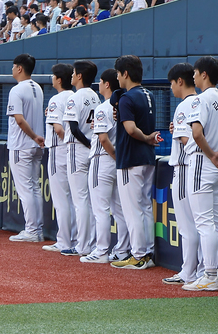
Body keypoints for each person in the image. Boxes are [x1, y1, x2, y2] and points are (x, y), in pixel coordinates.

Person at [184, 56, 218, 291]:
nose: (193, 76)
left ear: (204, 74)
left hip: (204, 161)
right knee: (216, 220)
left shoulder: (199, 100)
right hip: (217, 164)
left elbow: (196, 134)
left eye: (195, 72)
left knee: (204, 222)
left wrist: (211, 154)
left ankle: (210, 275)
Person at [112, 54, 161, 270]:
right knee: (144, 207)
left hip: (131, 158)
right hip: (147, 158)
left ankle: (139, 254)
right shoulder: (148, 94)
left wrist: (146, 137)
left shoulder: (127, 98)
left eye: (118, 73)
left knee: (132, 210)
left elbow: (131, 129)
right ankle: (147, 253)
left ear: (125, 74)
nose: (117, 77)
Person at [166, 64, 205, 289]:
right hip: (199, 166)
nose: (171, 88)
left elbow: (186, 139)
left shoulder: (184, 105)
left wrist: (179, 135)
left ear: (180, 81)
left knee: (187, 224)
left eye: (172, 83)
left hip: (185, 166)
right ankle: (198, 270)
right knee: (199, 223)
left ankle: (189, 271)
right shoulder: (200, 101)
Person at [1, 54, 47, 242]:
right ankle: (37, 229)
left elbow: (19, 119)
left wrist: (33, 136)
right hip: (35, 145)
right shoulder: (38, 87)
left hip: (22, 144)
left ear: (19, 68)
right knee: (34, 187)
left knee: (26, 189)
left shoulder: (17, 90)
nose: (12, 69)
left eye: (13, 66)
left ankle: (32, 230)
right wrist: (36, 137)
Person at [83, 69, 127, 264]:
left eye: (101, 81)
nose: (99, 84)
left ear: (107, 84)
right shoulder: (121, 105)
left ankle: (101, 251)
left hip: (103, 159)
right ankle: (123, 250)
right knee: (119, 209)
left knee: (100, 209)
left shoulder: (103, 107)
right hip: (117, 161)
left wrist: (115, 156)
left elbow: (103, 138)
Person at [43, 63, 78, 254]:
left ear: (58, 79)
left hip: (59, 150)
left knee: (62, 198)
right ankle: (74, 239)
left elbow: (58, 129)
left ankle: (65, 241)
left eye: (53, 75)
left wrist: (66, 142)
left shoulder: (56, 99)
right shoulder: (75, 96)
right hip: (74, 152)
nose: (51, 78)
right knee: (75, 199)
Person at [66, 61, 100, 257]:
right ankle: (93, 244)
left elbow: (73, 128)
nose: (72, 75)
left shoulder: (75, 97)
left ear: (79, 76)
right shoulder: (95, 96)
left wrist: (87, 144)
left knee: (80, 200)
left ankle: (82, 245)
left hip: (79, 148)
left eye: (73, 72)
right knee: (90, 200)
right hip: (92, 149)